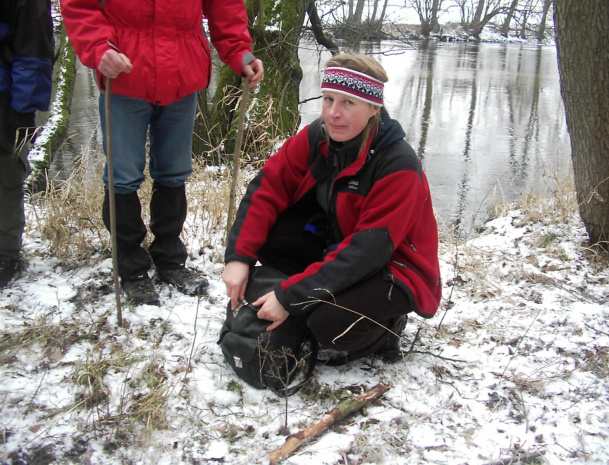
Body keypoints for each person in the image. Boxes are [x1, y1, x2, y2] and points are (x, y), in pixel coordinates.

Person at [223, 53, 441, 363]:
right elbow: (266, 189)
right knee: (275, 233)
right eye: (328, 99)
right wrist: (239, 257)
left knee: (330, 326)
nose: (333, 114)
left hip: (393, 267)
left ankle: (389, 326)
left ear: (373, 108)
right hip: (338, 244)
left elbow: (368, 251)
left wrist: (291, 297)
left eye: (348, 103)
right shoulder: (316, 137)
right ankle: (314, 297)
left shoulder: (398, 165)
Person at [61, 0, 264, 305]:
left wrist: (238, 51)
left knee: (174, 171)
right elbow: (80, 6)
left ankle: (170, 259)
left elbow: (224, 6)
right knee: (123, 175)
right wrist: (97, 47)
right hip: (124, 73)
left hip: (182, 73)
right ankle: (131, 266)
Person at [0, 0, 54, 289]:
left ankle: (5, 254)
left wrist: (23, 108)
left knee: (6, 173)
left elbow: (34, 48)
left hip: (5, 95)